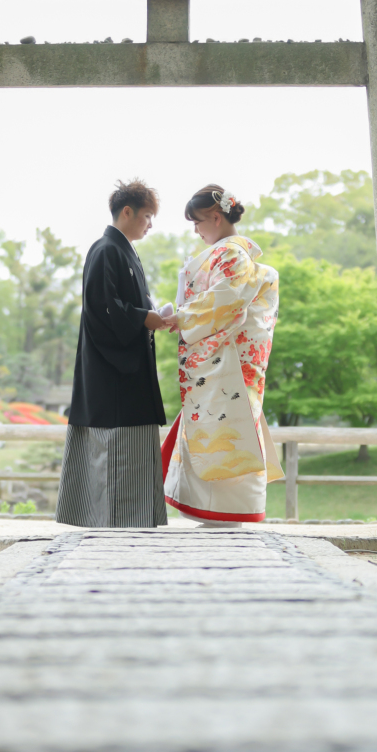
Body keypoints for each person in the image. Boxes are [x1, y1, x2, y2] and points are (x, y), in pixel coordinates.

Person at [161, 184, 283, 525]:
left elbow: (227, 301)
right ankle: (222, 512)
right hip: (227, 356)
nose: (196, 231)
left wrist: (181, 317)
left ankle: (226, 513)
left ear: (215, 217)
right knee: (221, 428)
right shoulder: (229, 254)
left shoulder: (231, 255)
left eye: (197, 223)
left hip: (227, 358)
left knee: (226, 427)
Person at [56, 179, 170, 528]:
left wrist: (150, 315)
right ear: (127, 212)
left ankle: (130, 524)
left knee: (127, 453)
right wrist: (146, 318)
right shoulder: (106, 249)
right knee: (115, 454)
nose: (150, 224)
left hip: (128, 371)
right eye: (147, 216)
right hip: (113, 376)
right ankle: (118, 527)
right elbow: (103, 309)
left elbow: (122, 306)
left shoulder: (123, 251)